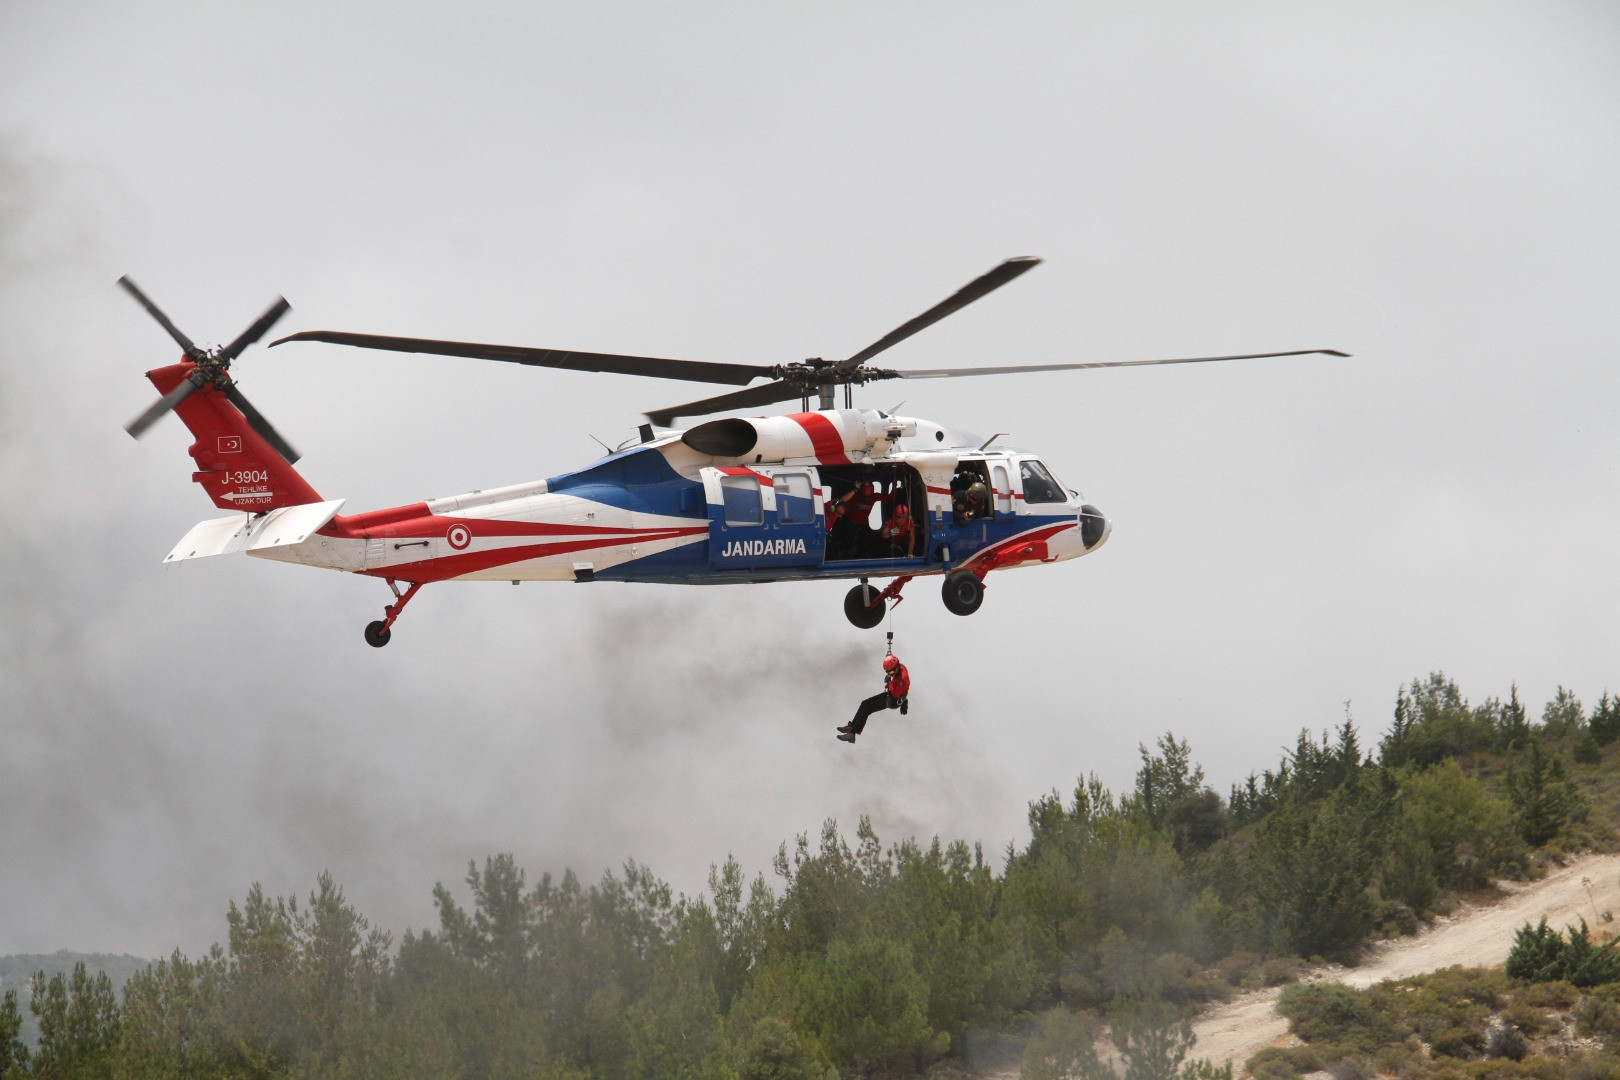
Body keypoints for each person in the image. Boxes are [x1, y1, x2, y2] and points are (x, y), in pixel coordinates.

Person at [837, 653, 910, 743]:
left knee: (867, 709)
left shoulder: (903, 679)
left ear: (896, 668)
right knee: (864, 703)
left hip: (893, 700)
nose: (890, 675)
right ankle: (851, 726)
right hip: (890, 694)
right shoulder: (900, 666)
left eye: (891, 672)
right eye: (888, 672)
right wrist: (889, 656)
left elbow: (895, 694)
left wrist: (890, 684)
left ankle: (852, 734)